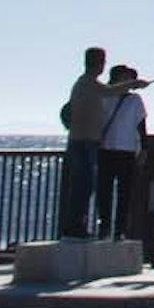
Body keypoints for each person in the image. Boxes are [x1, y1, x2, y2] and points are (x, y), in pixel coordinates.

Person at [54, 46, 108, 239]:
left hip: (82, 141)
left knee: (82, 185)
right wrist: (133, 83)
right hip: (85, 142)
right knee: (83, 186)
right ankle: (75, 226)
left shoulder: (84, 84)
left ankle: (75, 225)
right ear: (99, 63)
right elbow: (110, 91)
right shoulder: (88, 83)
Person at [94, 64, 152, 241]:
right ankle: (104, 227)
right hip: (106, 149)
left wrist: (144, 149)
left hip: (126, 151)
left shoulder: (135, 100)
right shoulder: (104, 96)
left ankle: (119, 229)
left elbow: (141, 127)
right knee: (104, 191)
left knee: (124, 193)